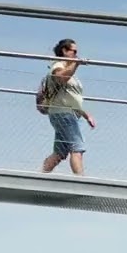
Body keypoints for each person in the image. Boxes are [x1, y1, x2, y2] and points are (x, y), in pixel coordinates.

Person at [37, 38, 95, 175]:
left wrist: (87, 115)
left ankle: (41, 175)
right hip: (64, 114)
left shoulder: (68, 69)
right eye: (73, 51)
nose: (76, 54)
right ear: (64, 51)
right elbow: (60, 78)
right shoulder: (58, 65)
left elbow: (70, 99)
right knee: (77, 148)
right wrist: (76, 64)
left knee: (59, 153)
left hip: (66, 113)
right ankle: (81, 183)